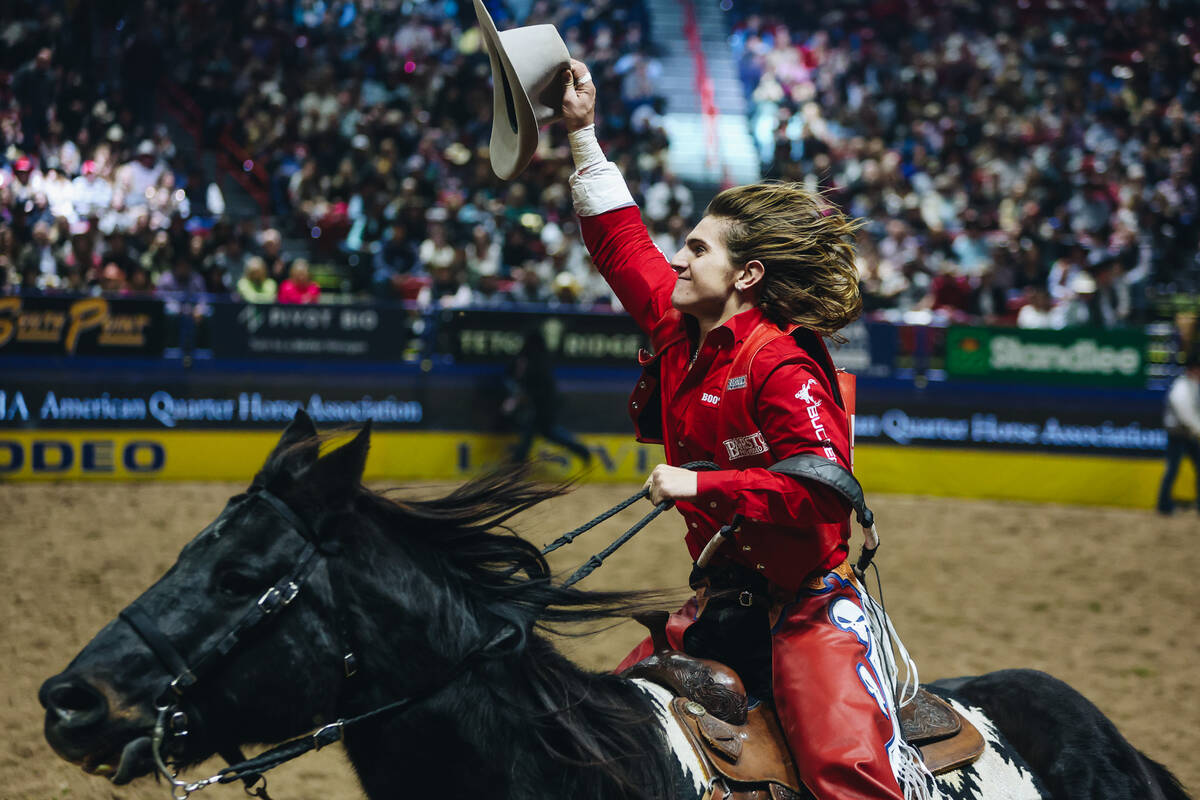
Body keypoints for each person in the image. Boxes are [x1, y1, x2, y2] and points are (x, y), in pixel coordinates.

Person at [559, 59, 932, 800]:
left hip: (811, 607)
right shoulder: (677, 325)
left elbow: (826, 496)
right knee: (591, 743)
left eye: (697, 249)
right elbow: (620, 243)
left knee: (847, 776)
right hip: (719, 607)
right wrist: (581, 133)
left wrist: (700, 482)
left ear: (747, 276)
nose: (677, 258)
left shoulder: (784, 366)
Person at [502, 329, 593, 466]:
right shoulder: (538, 359)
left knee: (539, 433)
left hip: (540, 407)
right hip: (541, 407)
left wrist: (519, 398)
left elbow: (536, 387)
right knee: (544, 433)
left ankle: (517, 464)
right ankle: (582, 451)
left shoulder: (534, 361)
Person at [1156, 352, 1200, 515]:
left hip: (1189, 434)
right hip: (1178, 435)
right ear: (1193, 370)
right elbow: (1187, 415)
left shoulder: (1193, 385)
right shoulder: (1181, 388)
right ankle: (1164, 505)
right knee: (1172, 469)